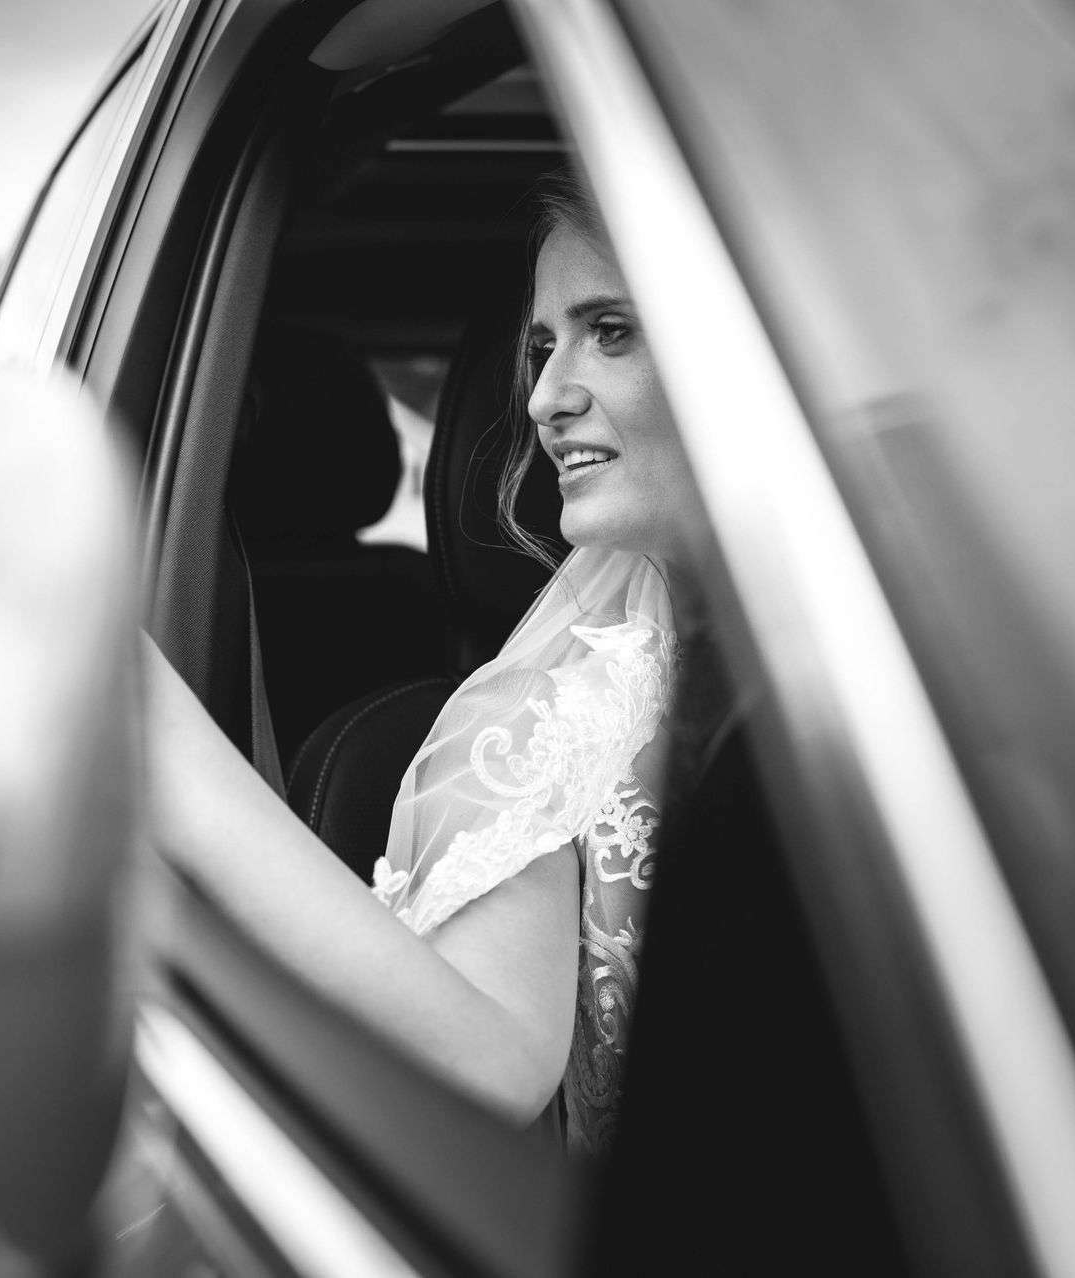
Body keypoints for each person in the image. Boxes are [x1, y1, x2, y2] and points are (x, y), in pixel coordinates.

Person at [139, 175, 715, 1153]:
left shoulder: (913, 648)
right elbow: (489, 1066)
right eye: (543, 348)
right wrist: (162, 743)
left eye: (611, 331)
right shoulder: (548, 722)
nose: (545, 397)